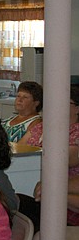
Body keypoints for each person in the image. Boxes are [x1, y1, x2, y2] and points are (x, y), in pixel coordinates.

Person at [19, 84, 79, 230]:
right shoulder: (41, 127)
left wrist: (52, 189)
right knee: (15, 202)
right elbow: (19, 150)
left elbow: (65, 159)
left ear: (77, 108)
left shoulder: (76, 131)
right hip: (40, 190)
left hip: (61, 204)